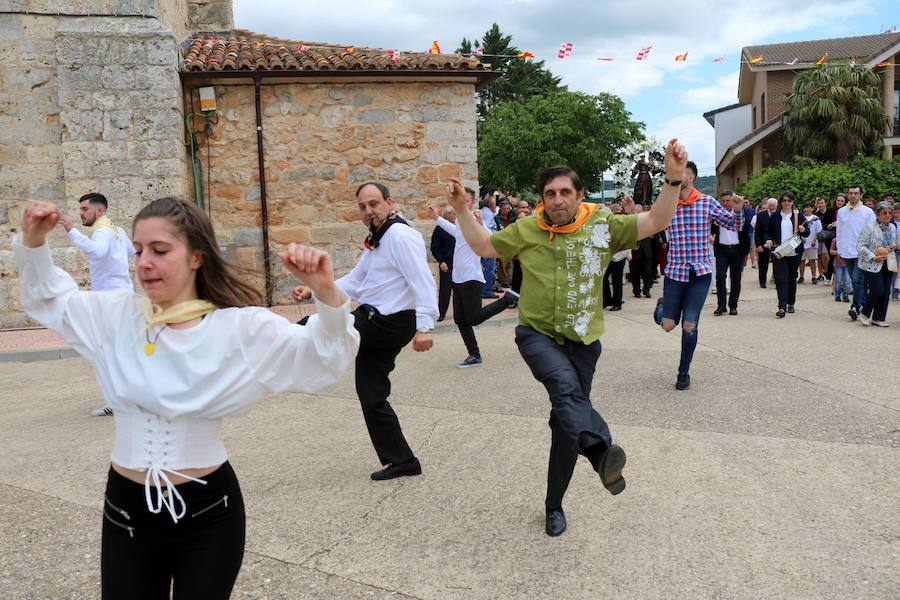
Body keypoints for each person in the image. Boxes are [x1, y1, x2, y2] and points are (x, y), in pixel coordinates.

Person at [16, 197, 359, 599]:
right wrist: (34, 241)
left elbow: (323, 359)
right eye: (139, 250)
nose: (144, 262)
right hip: (126, 512)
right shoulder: (114, 317)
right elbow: (51, 300)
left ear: (197, 257)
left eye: (160, 250)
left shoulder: (240, 329)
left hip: (209, 514)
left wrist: (327, 295)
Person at [445, 138, 689, 537]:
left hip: (584, 342)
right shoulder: (527, 229)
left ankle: (553, 505)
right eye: (549, 194)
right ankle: (600, 450)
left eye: (564, 192)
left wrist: (674, 178)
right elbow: (483, 245)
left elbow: (656, 220)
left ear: (578, 195)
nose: (557, 200)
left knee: (566, 424)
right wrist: (460, 209)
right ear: (542, 200)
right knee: (563, 389)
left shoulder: (603, 226)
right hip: (537, 334)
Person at [294, 182, 437, 481]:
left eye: (373, 204)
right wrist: (313, 291)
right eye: (362, 206)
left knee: (321, 326)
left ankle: (263, 348)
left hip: (388, 321)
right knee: (371, 395)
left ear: (388, 202)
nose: (368, 211)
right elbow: (356, 281)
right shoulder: (378, 239)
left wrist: (424, 327)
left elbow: (422, 279)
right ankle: (403, 461)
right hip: (378, 320)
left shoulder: (399, 235)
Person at [652, 163, 745, 390]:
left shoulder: (707, 202)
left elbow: (732, 225)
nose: (674, 177)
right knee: (667, 325)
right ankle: (663, 309)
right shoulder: (668, 204)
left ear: (691, 177)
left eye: (679, 173)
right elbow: (651, 222)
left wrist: (738, 210)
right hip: (675, 273)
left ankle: (683, 373)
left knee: (689, 325)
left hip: (700, 273)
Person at [58, 193, 136, 417]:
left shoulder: (102, 232)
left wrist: (71, 230)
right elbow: (132, 251)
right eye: (81, 209)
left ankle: (120, 400)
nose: (80, 213)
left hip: (110, 301)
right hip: (122, 298)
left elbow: (98, 251)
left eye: (84, 209)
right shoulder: (117, 230)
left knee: (108, 352)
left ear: (99, 211)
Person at [427, 190, 517, 368]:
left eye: (466, 201)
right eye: (460, 201)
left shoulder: (475, 219)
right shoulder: (461, 222)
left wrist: (481, 223)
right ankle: (474, 354)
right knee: (461, 320)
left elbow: (491, 238)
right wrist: (437, 218)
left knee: (474, 318)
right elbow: (455, 232)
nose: (462, 204)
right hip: (458, 278)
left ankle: (507, 299)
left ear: (471, 202)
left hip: (472, 278)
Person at [764, 191, 809, 318]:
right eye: (784, 201)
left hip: (794, 251)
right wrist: (768, 240)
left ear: (793, 202)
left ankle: (791, 303)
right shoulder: (775, 216)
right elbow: (769, 231)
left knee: (791, 278)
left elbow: (807, 232)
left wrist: (804, 230)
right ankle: (781, 307)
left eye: (789, 201)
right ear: (780, 202)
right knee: (781, 278)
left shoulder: (798, 215)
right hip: (779, 251)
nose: (786, 203)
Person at [837, 184, 876, 320]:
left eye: (855, 193)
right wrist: (840, 249)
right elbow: (839, 231)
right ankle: (864, 306)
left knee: (858, 280)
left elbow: (871, 232)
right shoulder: (842, 211)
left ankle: (855, 306)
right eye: (850, 193)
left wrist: (869, 251)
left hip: (861, 252)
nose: (853, 195)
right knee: (855, 281)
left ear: (861, 195)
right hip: (846, 251)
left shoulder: (867, 212)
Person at [856, 201, 897, 326]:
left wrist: (892, 246)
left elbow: (893, 242)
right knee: (877, 290)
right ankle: (864, 313)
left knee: (885, 292)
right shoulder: (869, 227)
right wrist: (873, 256)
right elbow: (860, 246)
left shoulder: (892, 227)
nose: (888, 215)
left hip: (888, 262)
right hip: (870, 263)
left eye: (890, 213)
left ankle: (878, 318)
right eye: (884, 213)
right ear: (877, 214)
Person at [711, 190, 750, 316]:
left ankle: (733, 305)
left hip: (737, 250)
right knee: (720, 278)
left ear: (733, 200)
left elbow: (746, 228)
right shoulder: (717, 214)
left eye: (728, 200)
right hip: (722, 249)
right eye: (723, 201)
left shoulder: (741, 213)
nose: (725, 203)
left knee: (735, 279)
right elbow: (710, 229)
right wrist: (711, 238)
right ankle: (721, 306)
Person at [430, 206, 456, 322]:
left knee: (460, 290)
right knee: (445, 290)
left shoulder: (458, 227)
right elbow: (434, 248)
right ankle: (441, 313)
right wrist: (441, 261)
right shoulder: (439, 229)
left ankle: (459, 313)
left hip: (459, 263)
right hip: (447, 262)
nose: (455, 216)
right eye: (453, 214)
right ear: (447, 215)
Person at [753, 198, 777, 288]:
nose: (771, 207)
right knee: (763, 264)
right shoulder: (761, 215)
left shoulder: (779, 215)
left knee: (777, 263)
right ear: (767, 205)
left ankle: (776, 280)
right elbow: (757, 231)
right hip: (763, 243)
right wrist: (758, 245)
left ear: (776, 206)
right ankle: (762, 282)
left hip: (776, 243)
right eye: (770, 205)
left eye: (773, 205)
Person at [480, 193, 499, 298]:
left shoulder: (481, 212)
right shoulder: (489, 215)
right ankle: (487, 291)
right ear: (491, 205)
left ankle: (483, 290)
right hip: (489, 245)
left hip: (482, 245)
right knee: (489, 268)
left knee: (483, 268)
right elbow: (486, 228)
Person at [494, 199, 517, 287]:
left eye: (508, 208)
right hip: (503, 242)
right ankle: (504, 281)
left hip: (513, 241)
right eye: (504, 209)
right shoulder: (497, 217)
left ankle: (510, 280)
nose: (506, 210)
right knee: (503, 263)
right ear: (500, 208)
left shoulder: (512, 213)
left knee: (511, 262)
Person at [797, 202, 821, 284]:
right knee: (801, 261)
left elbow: (819, 231)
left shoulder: (816, 218)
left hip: (812, 243)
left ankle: (814, 276)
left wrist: (815, 239)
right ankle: (801, 276)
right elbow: (797, 230)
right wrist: (801, 237)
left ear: (813, 208)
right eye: (806, 207)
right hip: (802, 242)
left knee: (812, 260)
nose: (808, 209)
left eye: (810, 207)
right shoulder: (800, 217)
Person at [814, 197, 831, 281]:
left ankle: (827, 272)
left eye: (822, 203)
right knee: (819, 256)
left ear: (826, 203)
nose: (820, 205)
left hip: (828, 237)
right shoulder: (816, 214)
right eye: (819, 203)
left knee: (826, 256)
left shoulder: (830, 212)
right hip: (819, 237)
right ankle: (821, 274)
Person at [830, 237, 851, 302]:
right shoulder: (835, 240)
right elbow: (831, 251)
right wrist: (838, 252)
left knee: (847, 280)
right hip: (837, 264)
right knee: (838, 280)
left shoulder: (850, 240)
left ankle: (845, 296)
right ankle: (837, 295)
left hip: (847, 263)